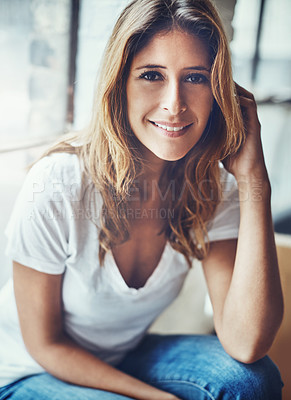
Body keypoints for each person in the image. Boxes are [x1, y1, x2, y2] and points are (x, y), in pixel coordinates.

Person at [0, 0, 284, 399]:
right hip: (25, 370)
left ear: (220, 92)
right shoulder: (59, 182)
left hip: (123, 355)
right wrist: (157, 397)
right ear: (120, 84)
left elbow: (247, 341)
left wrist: (256, 180)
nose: (174, 103)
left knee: (251, 380)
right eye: (152, 74)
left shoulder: (213, 189)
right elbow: (45, 344)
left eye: (197, 78)